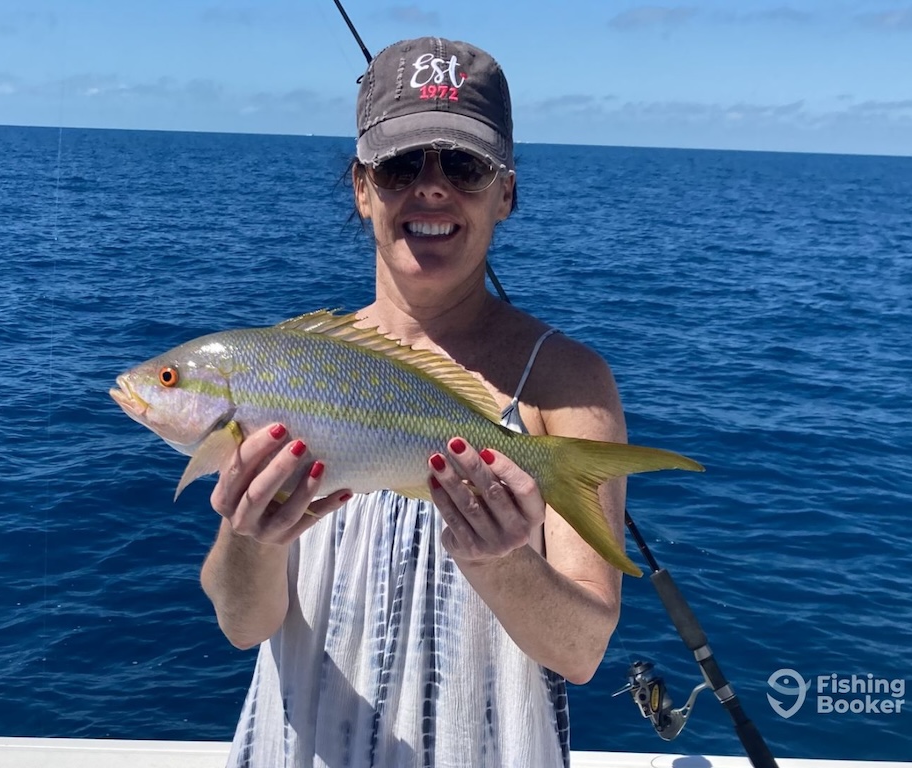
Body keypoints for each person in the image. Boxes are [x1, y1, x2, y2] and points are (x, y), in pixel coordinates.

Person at [200, 37, 627, 768]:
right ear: (363, 189)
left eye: (463, 166)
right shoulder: (296, 369)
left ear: (507, 194)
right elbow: (245, 625)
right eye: (401, 165)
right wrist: (248, 537)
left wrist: (500, 563)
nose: (431, 189)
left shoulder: (566, 386)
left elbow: (582, 651)